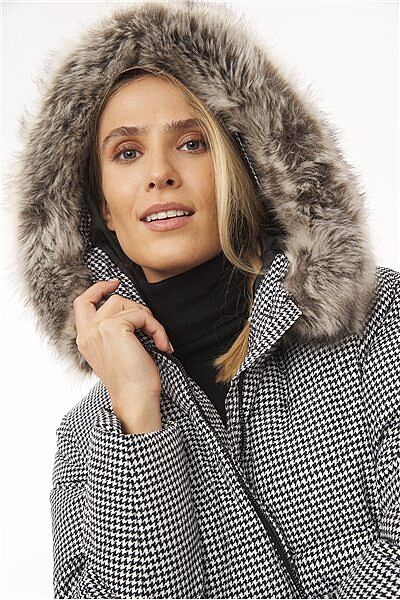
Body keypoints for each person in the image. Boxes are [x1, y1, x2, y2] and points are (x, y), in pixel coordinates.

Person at [10, 1, 399, 598]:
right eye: (127, 152)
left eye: (192, 143)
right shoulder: (86, 440)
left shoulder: (380, 323)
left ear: (242, 166)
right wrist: (137, 418)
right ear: (103, 207)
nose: (159, 174)